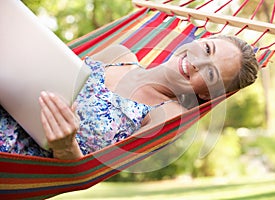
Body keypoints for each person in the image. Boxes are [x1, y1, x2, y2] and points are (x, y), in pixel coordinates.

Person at [0, 35, 259, 160]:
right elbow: (50, 79)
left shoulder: (167, 116)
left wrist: (66, 147)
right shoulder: (118, 56)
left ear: (207, 94)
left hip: (12, 158)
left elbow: (82, 175)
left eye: (211, 73)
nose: (197, 62)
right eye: (206, 48)